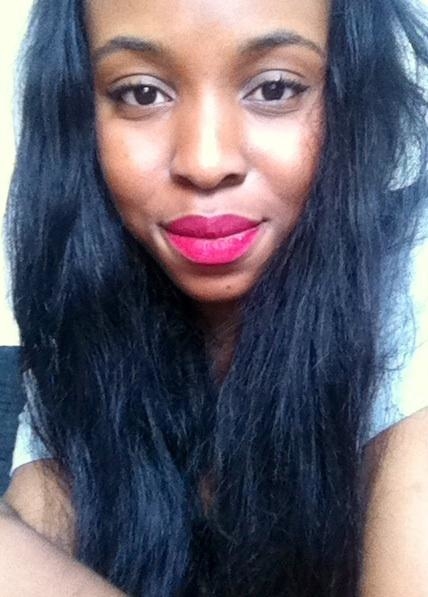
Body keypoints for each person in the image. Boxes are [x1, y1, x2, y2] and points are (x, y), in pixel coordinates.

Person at [1, 0, 428, 595]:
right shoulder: (86, 299)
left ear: (352, 98)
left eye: (275, 88)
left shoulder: (414, 266)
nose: (205, 163)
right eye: (142, 94)